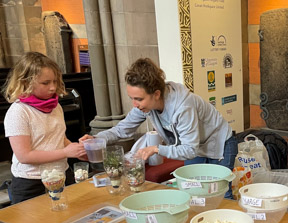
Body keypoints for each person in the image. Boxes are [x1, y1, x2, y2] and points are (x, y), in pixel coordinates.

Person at [80, 57, 237, 198]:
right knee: (192, 192)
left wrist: (156, 149)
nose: (135, 105)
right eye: (132, 99)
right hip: (195, 146)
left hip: (219, 143)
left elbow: (189, 150)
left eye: (139, 99)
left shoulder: (183, 106)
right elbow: (122, 129)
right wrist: (97, 139)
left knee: (221, 194)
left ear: (156, 94)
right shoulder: (146, 106)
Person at [3, 52, 90, 223]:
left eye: (55, 82)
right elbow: (25, 154)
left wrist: (76, 151)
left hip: (59, 176)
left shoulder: (54, 106)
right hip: (29, 181)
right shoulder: (19, 112)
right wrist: (65, 151)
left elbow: (56, 138)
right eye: (45, 83)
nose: (53, 88)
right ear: (26, 82)